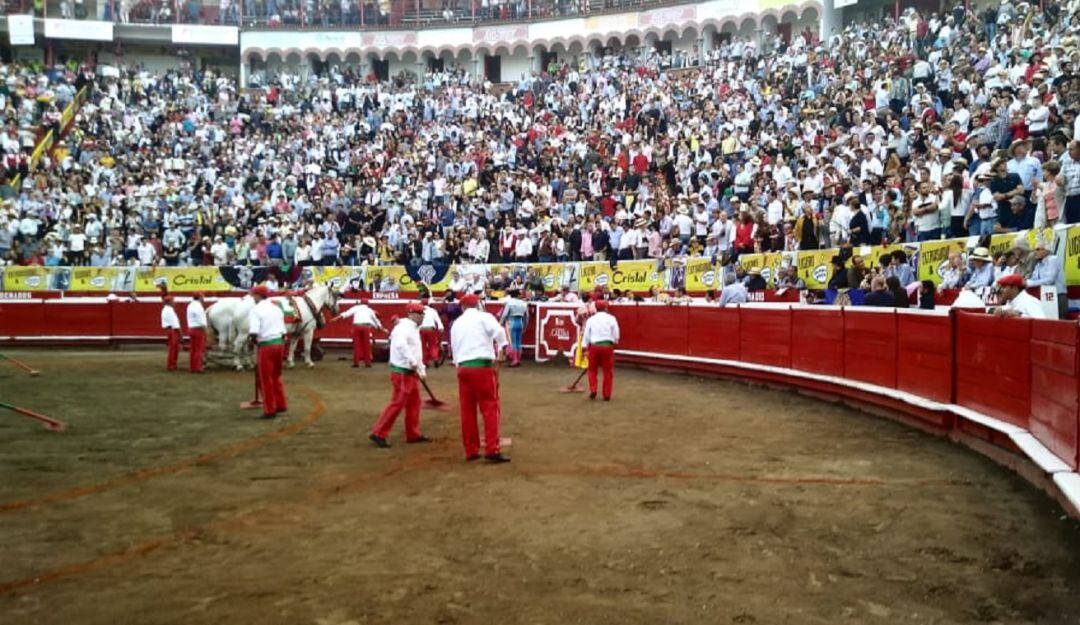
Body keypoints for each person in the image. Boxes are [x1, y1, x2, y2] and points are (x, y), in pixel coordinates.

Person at [450, 293, 510, 463]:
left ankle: (471, 450)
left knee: (467, 410)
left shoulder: (456, 323)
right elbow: (500, 332)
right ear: (477, 305)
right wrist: (503, 348)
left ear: (462, 307)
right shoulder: (484, 317)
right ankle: (492, 448)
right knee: (490, 407)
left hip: (462, 368)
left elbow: (454, 349)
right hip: (481, 367)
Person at [370, 302, 430, 448]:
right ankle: (379, 432)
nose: (422, 316)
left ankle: (413, 433)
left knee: (414, 402)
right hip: (402, 371)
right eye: (420, 313)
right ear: (411, 314)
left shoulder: (411, 327)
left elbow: (416, 351)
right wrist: (413, 362)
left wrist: (421, 370)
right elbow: (401, 345)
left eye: (422, 313)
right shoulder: (404, 327)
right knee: (398, 402)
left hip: (408, 372)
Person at [247, 285, 288, 419]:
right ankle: (281, 404)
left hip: (266, 345)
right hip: (279, 343)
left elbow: (254, 331)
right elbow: (283, 330)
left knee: (265, 378)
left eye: (254, 295)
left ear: (258, 296)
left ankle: (270, 409)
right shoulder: (276, 308)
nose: (253, 297)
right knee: (276, 375)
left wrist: (251, 341)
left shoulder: (255, 310)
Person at [582, 299, 620, 401]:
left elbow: (586, 335)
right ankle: (606, 395)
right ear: (606, 308)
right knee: (607, 371)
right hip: (607, 346)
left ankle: (593, 389)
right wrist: (615, 341)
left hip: (594, 346)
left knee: (592, 370)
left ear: (596, 308)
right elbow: (616, 333)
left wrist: (585, 348)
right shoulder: (611, 318)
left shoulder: (591, 319)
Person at [334, 298, 385, 368]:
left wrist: (337, 318)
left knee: (357, 345)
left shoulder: (356, 308)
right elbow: (375, 320)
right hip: (366, 327)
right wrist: (380, 327)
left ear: (360, 303)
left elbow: (346, 313)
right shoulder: (369, 310)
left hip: (357, 327)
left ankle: (356, 363)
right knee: (366, 345)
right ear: (367, 303)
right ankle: (368, 363)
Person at [1027, 235, 1066, 319]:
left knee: (1058, 323)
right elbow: (1033, 279)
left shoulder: (1053, 259)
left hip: (1057, 296)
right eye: (1034, 250)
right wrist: (1026, 282)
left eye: (1038, 249)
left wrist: (1029, 283)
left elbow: (1049, 280)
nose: (1035, 252)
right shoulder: (1038, 264)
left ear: (1047, 250)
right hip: (1045, 297)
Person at [500, 286, 529, 367]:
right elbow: (526, 316)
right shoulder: (523, 303)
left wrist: (500, 323)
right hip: (520, 322)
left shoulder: (509, 303)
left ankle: (514, 360)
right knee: (518, 341)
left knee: (512, 342)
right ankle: (518, 359)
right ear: (518, 295)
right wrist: (525, 325)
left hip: (511, 322)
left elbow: (504, 315)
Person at [418, 298, 444, 367]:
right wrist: (441, 327)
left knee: (423, 346)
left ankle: (425, 362)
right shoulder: (432, 310)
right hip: (430, 329)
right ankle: (435, 358)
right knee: (433, 345)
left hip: (422, 329)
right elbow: (438, 320)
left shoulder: (419, 311)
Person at [186, 292, 207, 373]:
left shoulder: (190, 305)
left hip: (191, 329)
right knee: (199, 349)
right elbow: (201, 321)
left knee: (193, 349)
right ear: (200, 297)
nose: (203, 298)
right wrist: (205, 330)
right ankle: (198, 367)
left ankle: (192, 367)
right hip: (198, 330)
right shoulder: (198, 306)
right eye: (203, 296)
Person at [161, 295, 181, 372]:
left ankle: (173, 364)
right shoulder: (169, 310)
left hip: (171, 330)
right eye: (173, 301)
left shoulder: (167, 309)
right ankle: (171, 365)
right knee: (173, 348)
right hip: (172, 330)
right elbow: (175, 324)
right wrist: (180, 334)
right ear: (169, 302)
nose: (174, 302)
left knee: (174, 348)